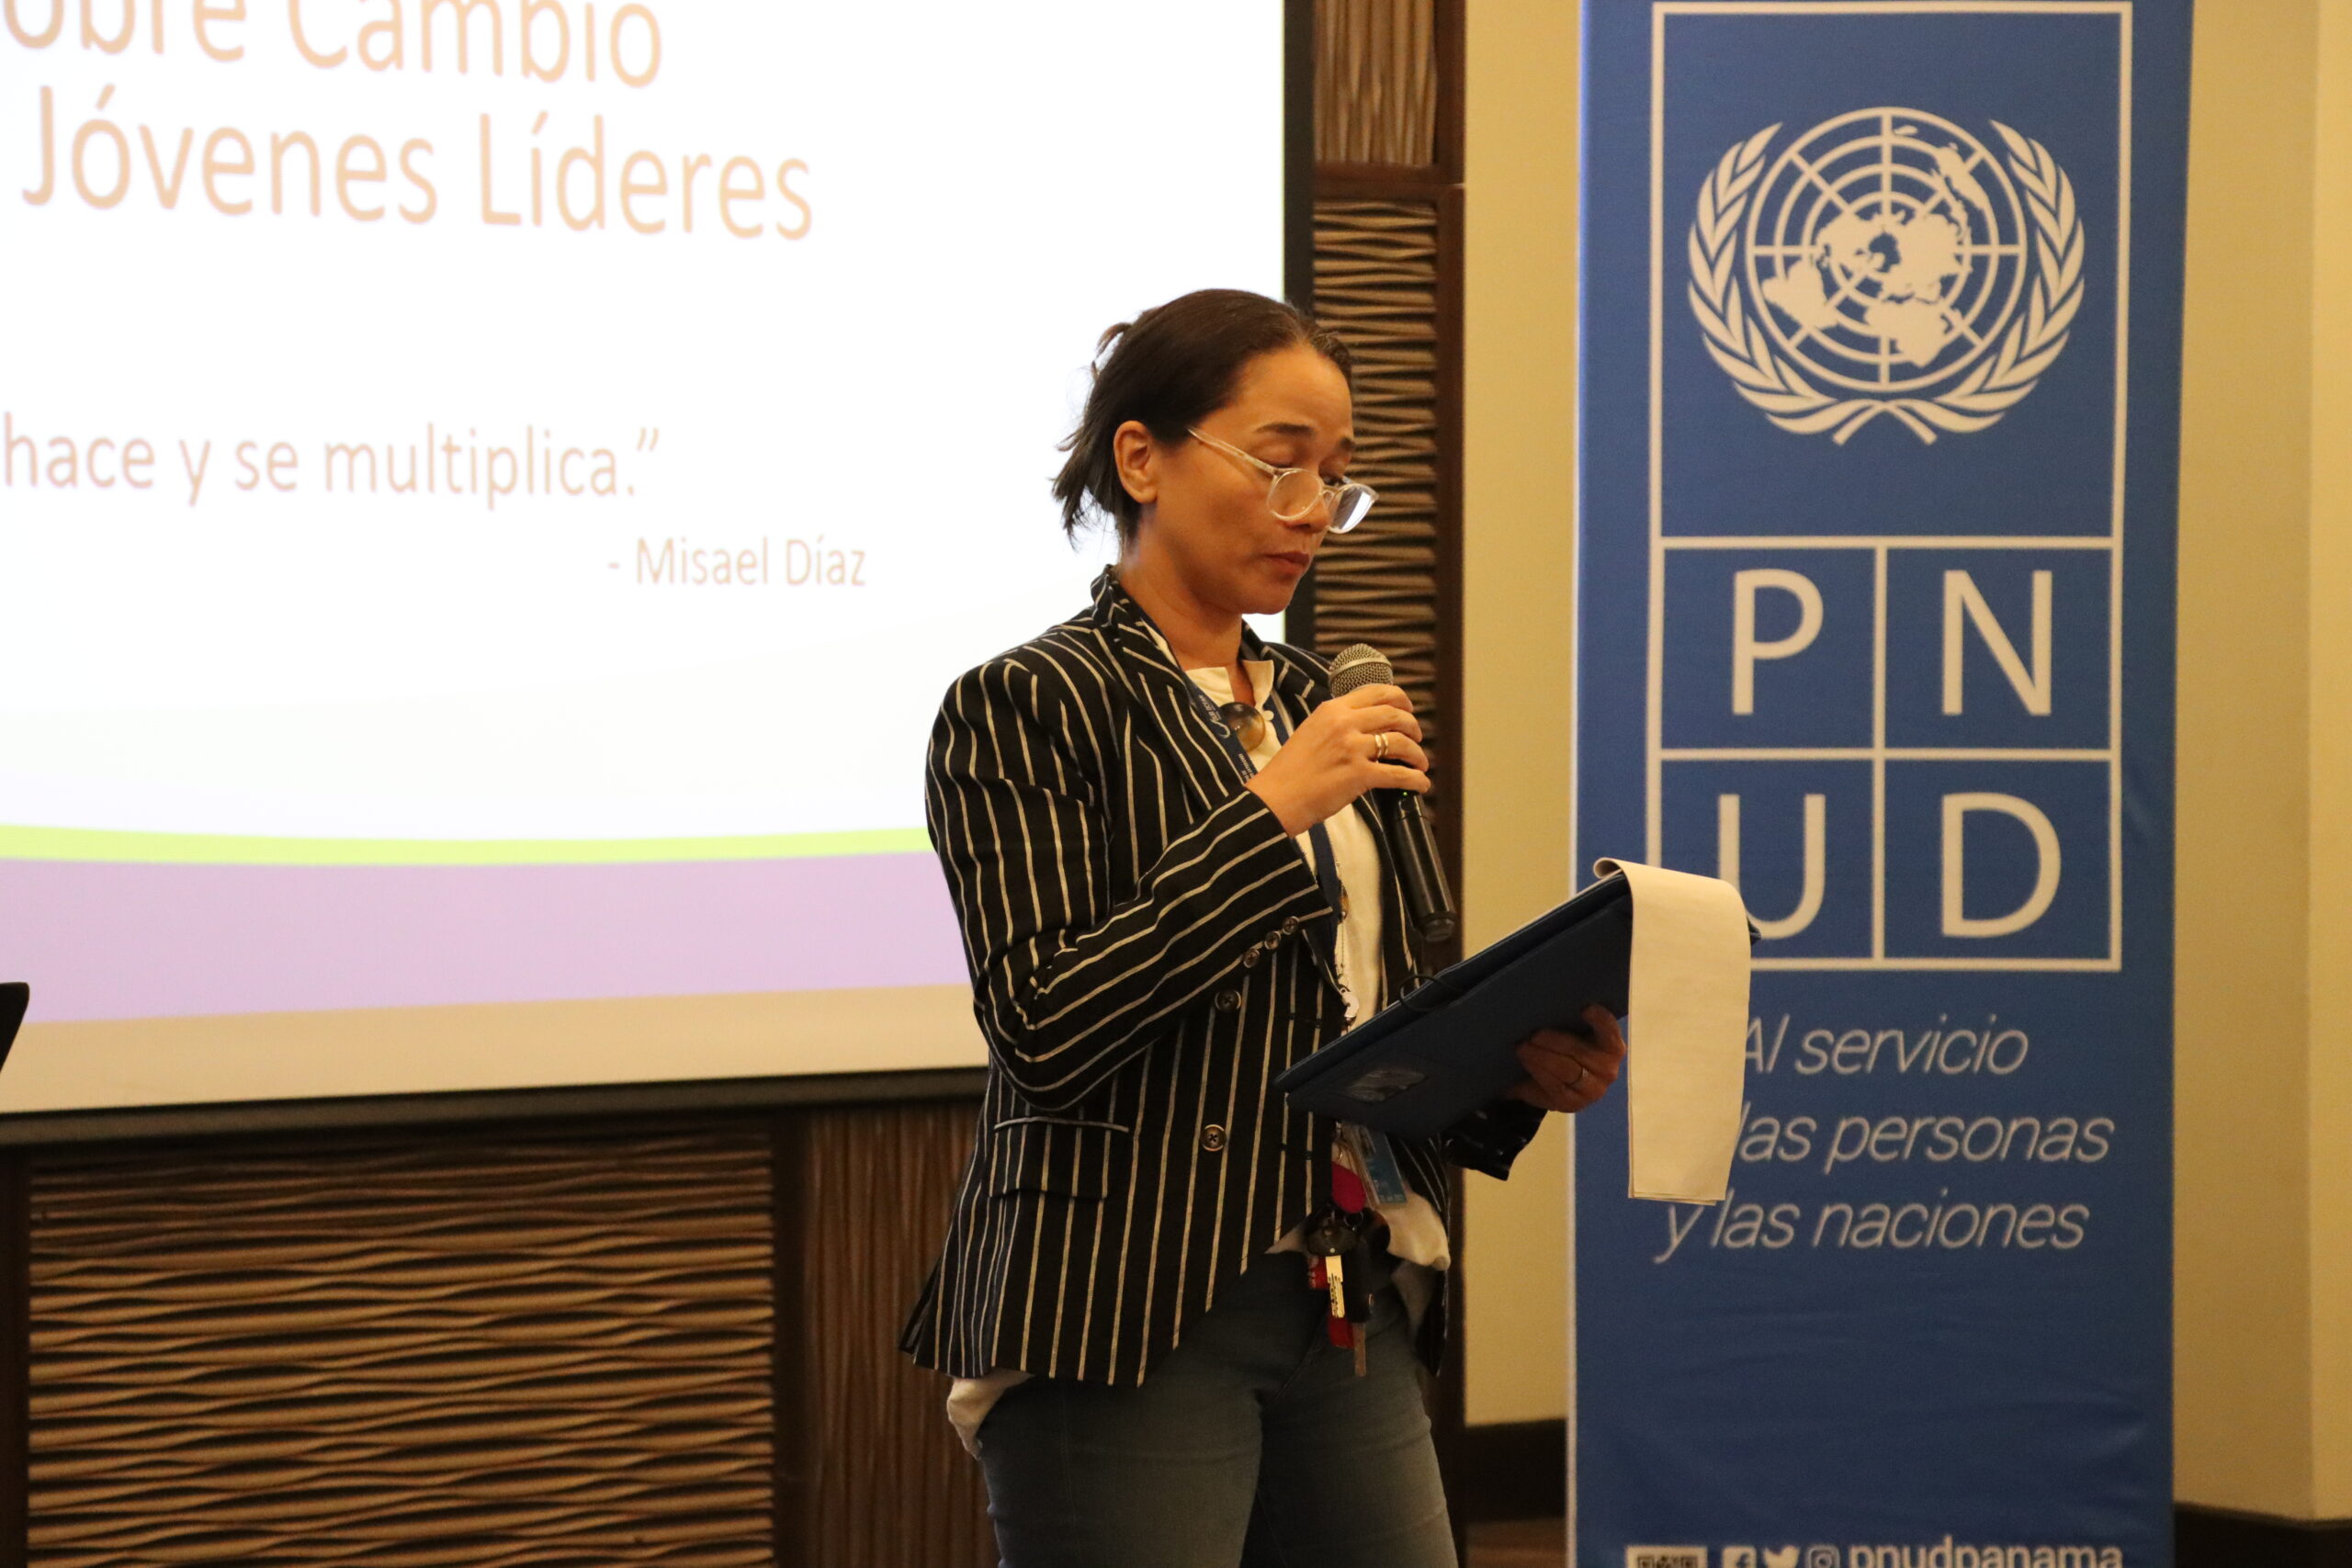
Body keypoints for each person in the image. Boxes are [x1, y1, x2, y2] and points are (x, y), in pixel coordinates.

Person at [900, 288, 1627, 1568]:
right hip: (1127, 1299)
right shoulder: (1027, 702)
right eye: (1281, 463)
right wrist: (1270, 809)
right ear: (1142, 458)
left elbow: (1365, 1014)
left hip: (1352, 1289)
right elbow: (1045, 1026)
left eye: (1336, 479)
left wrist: (1512, 1074)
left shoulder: (1326, 700)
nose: (1312, 512)